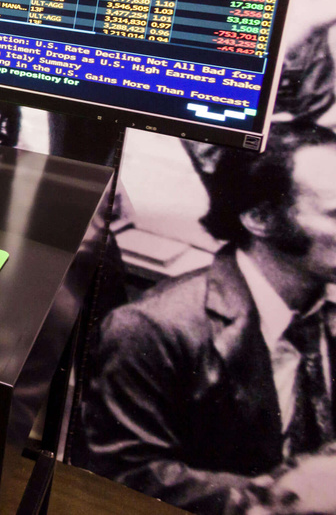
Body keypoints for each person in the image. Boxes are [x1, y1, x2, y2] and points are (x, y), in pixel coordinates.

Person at [82, 124, 336, 515]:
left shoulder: (323, 308)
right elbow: (124, 475)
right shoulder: (150, 330)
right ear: (259, 218)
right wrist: (278, 499)